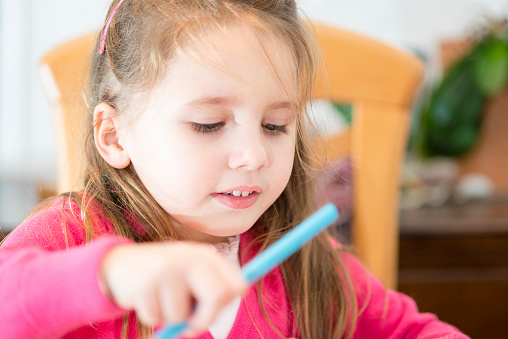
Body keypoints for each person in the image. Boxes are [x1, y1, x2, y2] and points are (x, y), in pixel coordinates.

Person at [0, 0, 469, 338]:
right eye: (208, 125)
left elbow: (407, 330)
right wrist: (110, 273)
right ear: (114, 135)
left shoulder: (300, 255)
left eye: (275, 125)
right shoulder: (70, 237)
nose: (254, 155)